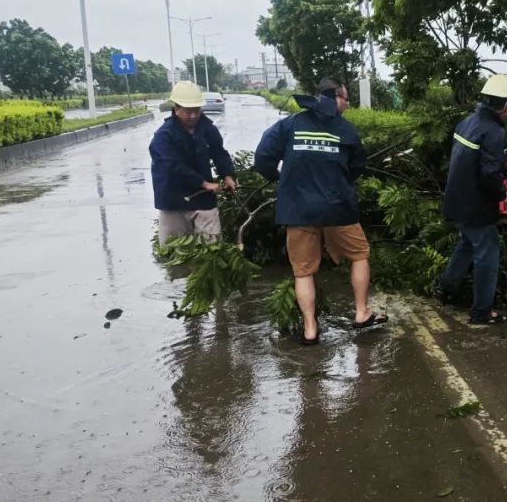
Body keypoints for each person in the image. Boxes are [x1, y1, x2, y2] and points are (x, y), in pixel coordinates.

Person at [253, 77, 387, 345]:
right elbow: (357, 166)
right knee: (359, 255)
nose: (347, 104)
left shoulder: (289, 125)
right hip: (339, 209)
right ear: (335, 97)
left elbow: (263, 157)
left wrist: (280, 179)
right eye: (346, 99)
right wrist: (338, 182)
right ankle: (361, 312)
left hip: (298, 209)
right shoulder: (346, 130)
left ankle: (310, 329)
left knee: (303, 271)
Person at [436, 74, 507, 325]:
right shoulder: (495, 131)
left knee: (466, 244)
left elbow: (474, 156)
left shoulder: (467, 122)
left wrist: (504, 161)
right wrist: (504, 194)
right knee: (488, 252)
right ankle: (482, 312)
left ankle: (445, 289)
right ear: (505, 105)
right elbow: (489, 176)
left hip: (456, 200)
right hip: (476, 206)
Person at [150, 80, 236, 245]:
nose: (193, 116)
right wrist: (204, 183)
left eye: (196, 110)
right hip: (174, 200)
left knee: (212, 246)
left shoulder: (207, 128)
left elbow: (219, 152)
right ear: (176, 109)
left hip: (204, 199)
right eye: (188, 111)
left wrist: (228, 176)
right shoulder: (163, 136)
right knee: (175, 248)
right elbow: (171, 166)